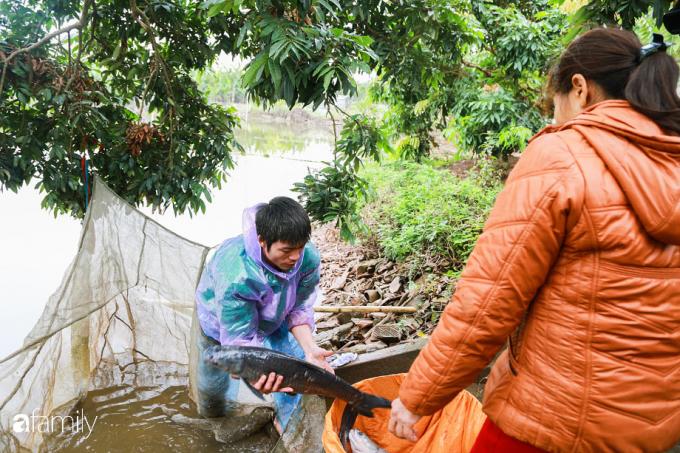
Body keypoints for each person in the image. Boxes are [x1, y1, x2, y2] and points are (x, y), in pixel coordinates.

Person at [388, 28, 680, 452]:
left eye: (554, 102)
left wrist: (417, 397)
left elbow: (487, 304)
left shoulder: (564, 157)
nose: (555, 115)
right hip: (653, 426)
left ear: (579, 88)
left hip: (553, 422)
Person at [193, 196, 333, 432]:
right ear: (262, 241)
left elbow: (299, 307)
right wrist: (255, 373)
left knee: (295, 373)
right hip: (220, 324)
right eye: (287, 250)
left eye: (300, 248)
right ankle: (214, 424)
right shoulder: (236, 276)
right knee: (212, 388)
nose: (295, 257)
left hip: (278, 312)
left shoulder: (307, 257)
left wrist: (310, 348)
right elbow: (240, 345)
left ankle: (289, 426)